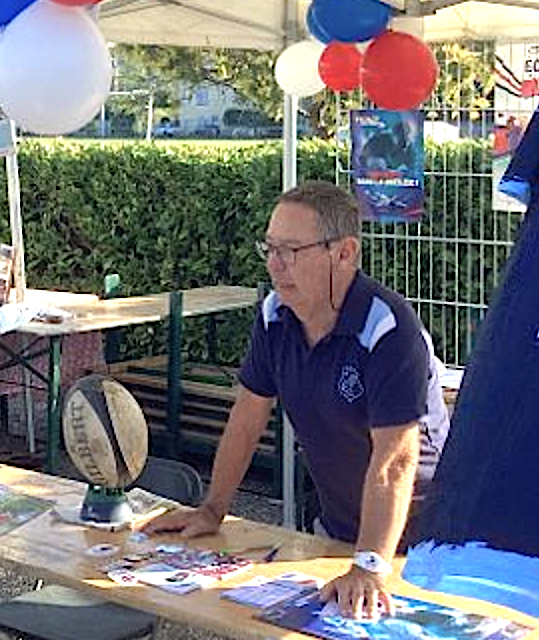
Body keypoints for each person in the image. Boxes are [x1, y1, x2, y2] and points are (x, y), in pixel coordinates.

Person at [142, 181, 447, 620]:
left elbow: (396, 459)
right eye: (268, 248)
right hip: (341, 529)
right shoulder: (274, 316)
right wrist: (212, 509)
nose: (274, 264)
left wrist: (369, 563)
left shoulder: (389, 329)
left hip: (424, 546)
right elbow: (247, 417)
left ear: (344, 253)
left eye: (290, 250)